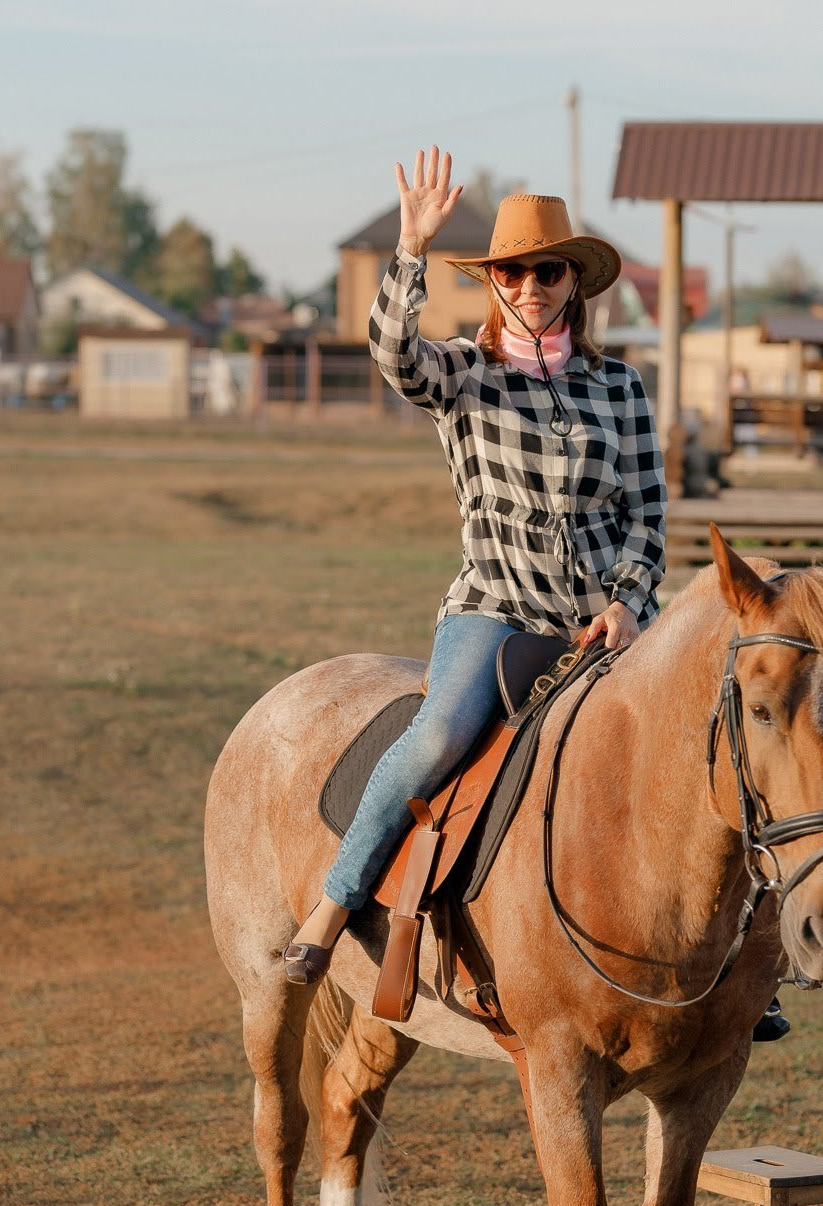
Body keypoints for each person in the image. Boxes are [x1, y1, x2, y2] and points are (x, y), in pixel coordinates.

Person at [283, 146, 666, 985]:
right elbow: (392, 354)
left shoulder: (622, 388)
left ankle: (742, 961)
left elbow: (647, 513)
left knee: (707, 730)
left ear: (575, 281)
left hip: (607, 621)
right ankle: (334, 901)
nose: (531, 284)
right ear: (495, 281)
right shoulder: (463, 372)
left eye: (549, 269)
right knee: (440, 737)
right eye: (514, 271)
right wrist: (410, 250)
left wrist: (632, 601)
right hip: (496, 611)